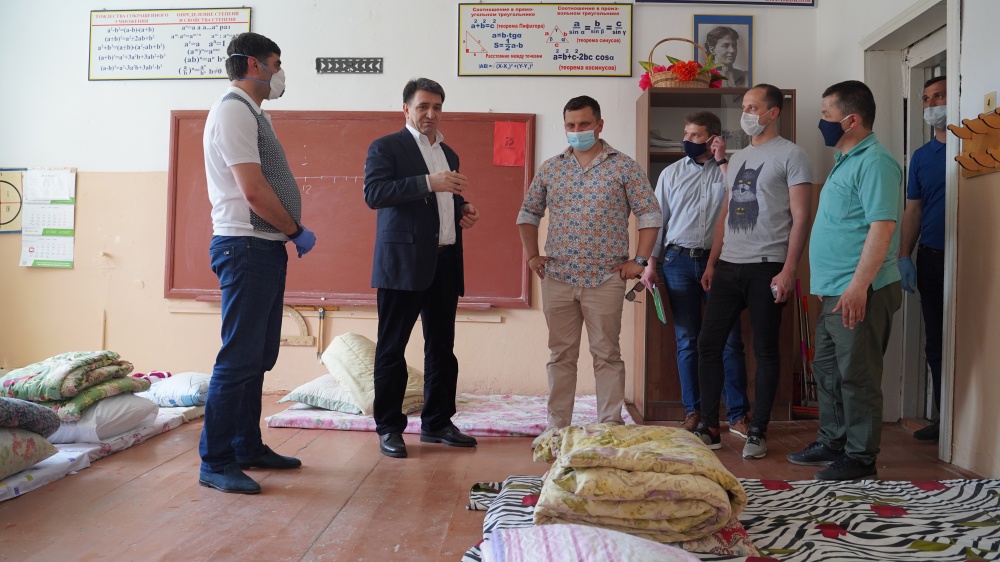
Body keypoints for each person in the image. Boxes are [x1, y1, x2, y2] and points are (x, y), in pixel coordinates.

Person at [199, 32, 317, 494]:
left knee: (258, 356)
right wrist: (294, 229)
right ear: (254, 64)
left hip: (262, 247)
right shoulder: (232, 109)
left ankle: (247, 446)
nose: (279, 73)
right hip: (245, 246)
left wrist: (284, 234)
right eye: (276, 63)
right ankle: (216, 461)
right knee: (238, 358)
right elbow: (251, 189)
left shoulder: (250, 112)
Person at [517, 95, 661, 430]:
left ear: (599, 125)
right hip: (558, 278)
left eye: (584, 124)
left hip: (605, 279)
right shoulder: (551, 168)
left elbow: (650, 214)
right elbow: (527, 214)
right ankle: (557, 428)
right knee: (560, 355)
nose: (577, 130)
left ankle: (609, 425)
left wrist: (639, 260)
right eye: (571, 125)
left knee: (607, 355)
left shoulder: (624, 166)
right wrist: (532, 255)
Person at [788, 80, 903, 481]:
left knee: (858, 376)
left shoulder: (876, 162)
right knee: (828, 370)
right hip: (834, 290)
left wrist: (857, 286)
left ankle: (860, 457)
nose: (822, 122)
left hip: (861, 290)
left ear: (851, 120)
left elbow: (882, 228)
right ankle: (833, 441)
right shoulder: (846, 159)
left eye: (826, 115)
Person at [693, 84, 813, 460]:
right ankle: (709, 426)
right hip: (729, 266)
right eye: (744, 106)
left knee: (765, 350)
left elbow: (801, 216)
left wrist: (789, 270)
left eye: (753, 107)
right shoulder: (739, 156)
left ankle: (758, 429)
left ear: (773, 112)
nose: (746, 113)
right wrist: (712, 262)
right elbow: (726, 213)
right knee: (708, 344)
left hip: (768, 267)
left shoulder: (793, 155)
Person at [364, 78, 481, 459]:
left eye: (437, 107)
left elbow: (446, 198)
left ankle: (437, 422)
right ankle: (389, 428)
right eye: (423, 106)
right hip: (402, 265)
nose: (431, 114)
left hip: (445, 260)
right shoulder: (386, 147)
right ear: (406, 109)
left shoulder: (449, 153)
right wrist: (430, 182)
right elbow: (374, 194)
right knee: (392, 349)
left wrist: (462, 208)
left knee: (442, 348)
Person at [639, 111, 751, 435]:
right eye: (686, 134)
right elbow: (657, 220)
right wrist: (650, 264)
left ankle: (737, 415)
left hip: (723, 263)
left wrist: (722, 159)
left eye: (695, 135)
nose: (687, 140)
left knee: (730, 341)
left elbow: (742, 202)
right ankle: (694, 412)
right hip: (678, 262)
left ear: (713, 138)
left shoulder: (731, 170)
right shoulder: (671, 173)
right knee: (687, 341)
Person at [899, 76, 948, 442]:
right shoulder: (920, 157)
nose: (931, 105)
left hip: (971, 258)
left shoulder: (973, 145)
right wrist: (904, 254)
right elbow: (913, 210)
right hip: (931, 258)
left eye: (939, 97)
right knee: (936, 342)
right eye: (926, 99)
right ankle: (945, 420)